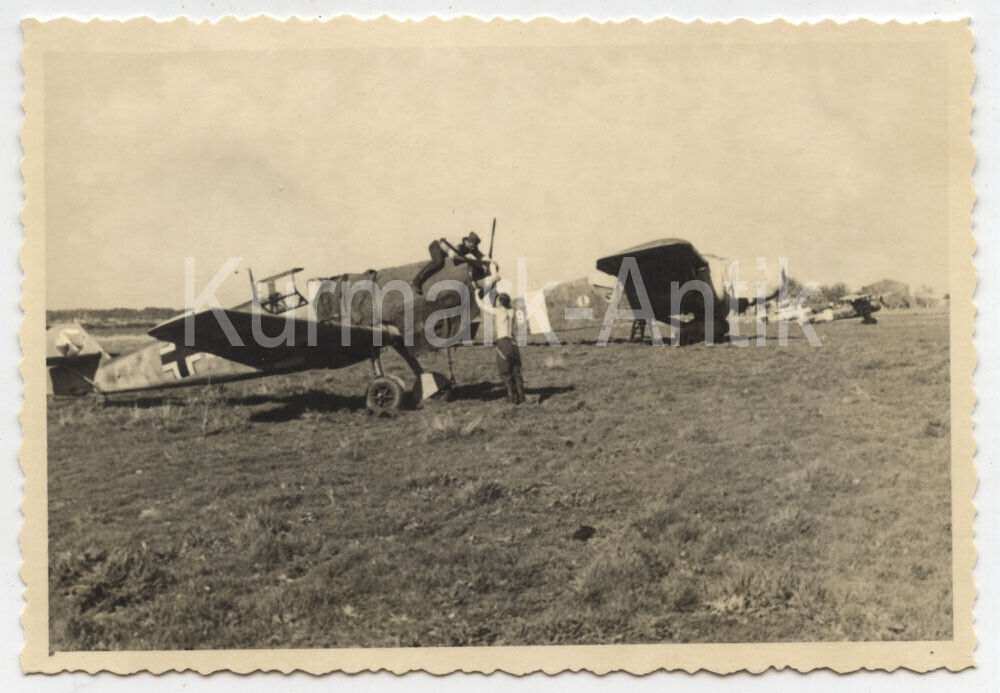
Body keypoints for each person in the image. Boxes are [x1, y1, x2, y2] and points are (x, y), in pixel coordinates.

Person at [475, 286, 525, 404]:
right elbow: (509, 305)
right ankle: (521, 397)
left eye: (497, 300)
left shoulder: (498, 311)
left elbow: (481, 305)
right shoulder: (511, 311)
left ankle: (511, 398)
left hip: (503, 343)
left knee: (505, 372)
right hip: (513, 343)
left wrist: (476, 294)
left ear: (500, 302)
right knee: (516, 372)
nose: (496, 302)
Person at [412, 232, 485, 296]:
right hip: (436, 246)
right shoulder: (459, 243)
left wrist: (489, 262)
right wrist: (467, 258)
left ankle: (477, 286)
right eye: (472, 246)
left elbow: (481, 256)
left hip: (445, 252)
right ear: (467, 241)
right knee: (439, 263)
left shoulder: (471, 247)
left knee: (472, 262)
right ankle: (416, 281)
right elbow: (453, 256)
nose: (472, 249)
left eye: (474, 247)